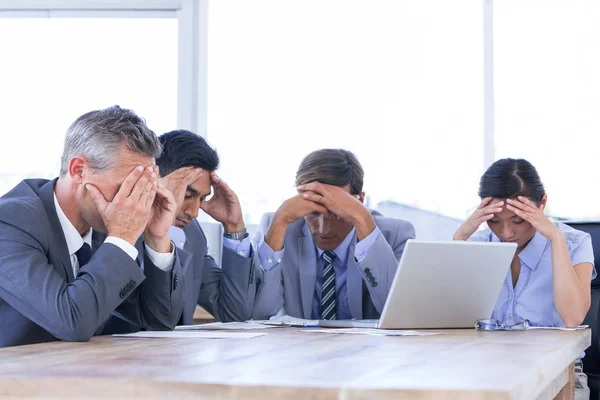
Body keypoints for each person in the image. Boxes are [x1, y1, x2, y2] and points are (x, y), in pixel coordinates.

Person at [0, 106, 187, 347]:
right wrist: (121, 237)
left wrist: (157, 238)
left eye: (143, 188)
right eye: (126, 187)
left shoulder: (105, 223)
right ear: (78, 170)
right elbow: (72, 322)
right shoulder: (11, 220)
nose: (136, 202)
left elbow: (159, 321)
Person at [454, 158, 595, 400]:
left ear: (542, 204)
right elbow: (446, 320)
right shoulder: (474, 245)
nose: (506, 233)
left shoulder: (574, 243)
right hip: (488, 371)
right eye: (494, 221)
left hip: (559, 375)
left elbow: (572, 317)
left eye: (519, 220)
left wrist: (555, 239)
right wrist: (460, 237)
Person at [251, 148, 415, 320]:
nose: (324, 229)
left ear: (359, 201)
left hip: (369, 347)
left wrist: (363, 219)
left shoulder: (396, 234)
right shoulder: (279, 227)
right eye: (314, 212)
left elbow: (402, 314)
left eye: (337, 214)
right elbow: (258, 313)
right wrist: (279, 222)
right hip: (299, 345)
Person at [156, 130, 256, 323]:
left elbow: (235, 314)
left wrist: (234, 227)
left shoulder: (192, 235)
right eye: (187, 195)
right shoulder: (120, 230)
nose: (194, 212)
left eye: (202, 199)